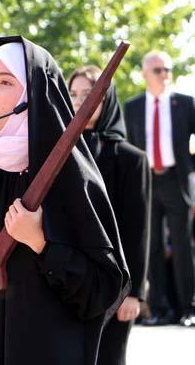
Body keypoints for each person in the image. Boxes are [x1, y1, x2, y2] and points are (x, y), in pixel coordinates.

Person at [0, 37, 130, 364]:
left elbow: (102, 291)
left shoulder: (70, 179)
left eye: (5, 81)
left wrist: (42, 243)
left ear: (32, 95)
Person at [68, 65, 150, 365]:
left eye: (88, 94)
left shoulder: (131, 159)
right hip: (70, 280)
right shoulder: (59, 154)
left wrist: (134, 293)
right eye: (73, 94)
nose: (79, 102)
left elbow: (138, 229)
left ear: (107, 98)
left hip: (115, 285)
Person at [124, 51, 195, 326]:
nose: (164, 74)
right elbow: (129, 147)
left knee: (182, 246)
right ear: (144, 73)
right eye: (158, 70)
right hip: (147, 182)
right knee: (150, 246)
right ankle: (157, 309)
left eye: (167, 69)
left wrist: (190, 168)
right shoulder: (132, 107)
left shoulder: (185, 104)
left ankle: (187, 308)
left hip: (176, 181)